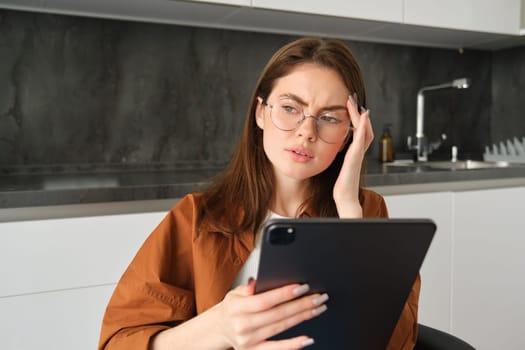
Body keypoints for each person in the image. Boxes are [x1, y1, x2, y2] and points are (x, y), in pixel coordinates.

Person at [98, 37, 420, 350]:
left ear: (351, 133)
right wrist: (220, 327)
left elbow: (398, 342)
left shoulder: (367, 211)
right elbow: (118, 342)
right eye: (291, 108)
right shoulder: (199, 217)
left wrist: (349, 210)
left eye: (330, 118)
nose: (307, 132)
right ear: (260, 113)